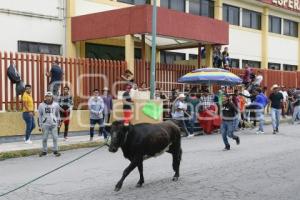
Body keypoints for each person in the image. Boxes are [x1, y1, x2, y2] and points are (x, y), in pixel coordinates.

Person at [38, 92, 61, 157]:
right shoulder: (41, 105)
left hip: (54, 124)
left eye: (50, 96)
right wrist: (40, 125)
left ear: (52, 97)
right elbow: (40, 115)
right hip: (45, 124)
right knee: (44, 138)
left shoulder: (56, 105)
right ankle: (44, 151)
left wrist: (58, 123)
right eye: (47, 96)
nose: (48, 97)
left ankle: (55, 151)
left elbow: (57, 114)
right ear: (45, 97)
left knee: (55, 138)